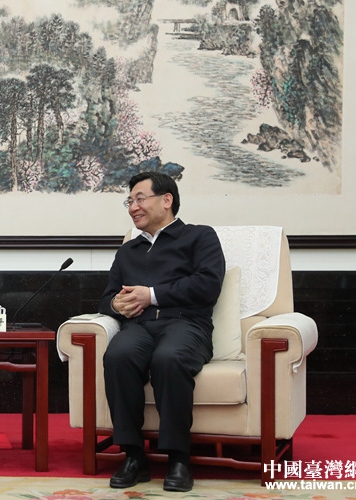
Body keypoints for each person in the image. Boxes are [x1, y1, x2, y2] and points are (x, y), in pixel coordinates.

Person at [98, 171, 225, 492]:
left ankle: (179, 458)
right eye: (129, 201)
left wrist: (151, 295)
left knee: (169, 358)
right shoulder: (128, 250)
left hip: (186, 324)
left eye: (140, 199)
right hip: (140, 326)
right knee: (118, 355)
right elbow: (107, 296)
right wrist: (116, 305)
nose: (133, 207)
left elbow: (208, 284)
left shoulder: (199, 237)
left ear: (167, 200)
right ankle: (133, 456)